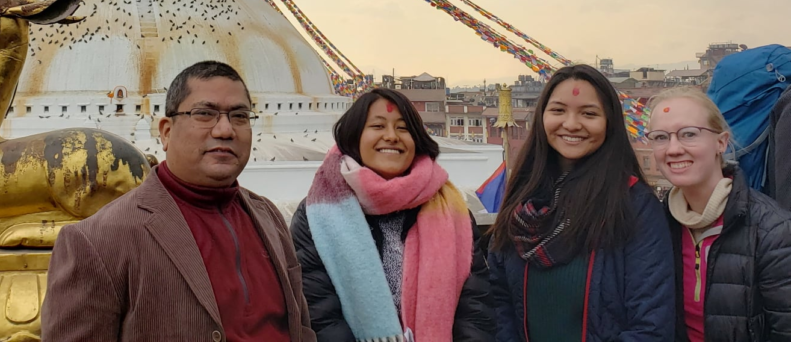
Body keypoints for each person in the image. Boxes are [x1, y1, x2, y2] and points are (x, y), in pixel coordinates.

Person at [43, 61, 315, 342]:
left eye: (240, 116)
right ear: (166, 131)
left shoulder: (267, 216)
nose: (225, 130)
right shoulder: (98, 240)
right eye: (204, 114)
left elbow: (300, 326)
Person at [488, 64, 674, 342]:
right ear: (541, 118)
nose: (572, 124)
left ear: (609, 122)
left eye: (589, 113)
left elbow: (651, 324)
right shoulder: (522, 200)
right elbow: (497, 298)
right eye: (558, 110)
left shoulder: (634, 205)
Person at [291, 87, 493, 342]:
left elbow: (475, 307)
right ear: (354, 138)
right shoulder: (317, 215)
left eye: (403, 128)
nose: (391, 136)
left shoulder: (452, 211)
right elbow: (319, 312)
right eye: (377, 126)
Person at [647, 86, 791, 342]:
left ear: (721, 142)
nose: (673, 149)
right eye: (660, 137)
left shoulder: (773, 232)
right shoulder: (654, 226)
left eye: (688, 134)